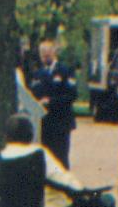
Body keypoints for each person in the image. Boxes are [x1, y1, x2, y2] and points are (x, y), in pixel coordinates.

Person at [21, 38, 79, 171]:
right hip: (43, 123)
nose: (45, 55)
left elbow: (72, 95)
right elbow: (32, 94)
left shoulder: (65, 71)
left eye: (47, 52)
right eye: (42, 52)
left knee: (60, 158)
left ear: (54, 52)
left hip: (60, 123)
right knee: (45, 159)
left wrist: (51, 102)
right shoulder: (37, 74)